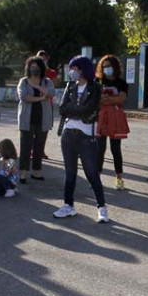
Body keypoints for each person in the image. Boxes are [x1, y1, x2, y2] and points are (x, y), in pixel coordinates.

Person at [53, 55, 108, 223]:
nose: (72, 72)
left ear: (83, 70)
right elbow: (62, 109)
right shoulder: (70, 87)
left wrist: (74, 110)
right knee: (70, 173)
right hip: (68, 134)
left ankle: (102, 208)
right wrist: (77, 109)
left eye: (75, 69)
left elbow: (89, 109)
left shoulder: (95, 88)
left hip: (86, 135)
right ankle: (68, 206)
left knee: (91, 173)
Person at [16, 56, 55, 183]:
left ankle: (36, 172)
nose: (35, 70)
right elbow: (24, 97)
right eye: (32, 67)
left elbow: (51, 93)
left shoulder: (47, 81)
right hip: (27, 119)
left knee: (39, 146)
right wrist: (40, 98)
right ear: (28, 68)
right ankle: (22, 173)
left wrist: (37, 87)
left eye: (37, 68)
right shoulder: (23, 81)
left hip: (43, 119)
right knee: (25, 147)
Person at [95, 54, 130, 190]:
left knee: (116, 149)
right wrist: (111, 99)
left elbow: (121, 99)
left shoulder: (121, 83)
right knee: (99, 150)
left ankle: (119, 179)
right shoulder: (97, 81)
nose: (106, 68)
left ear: (115, 67)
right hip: (101, 119)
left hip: (116, 119)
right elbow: (95, 99)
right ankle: (97, 178)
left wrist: (105, 99)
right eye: (104, 66)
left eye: (109, 66)